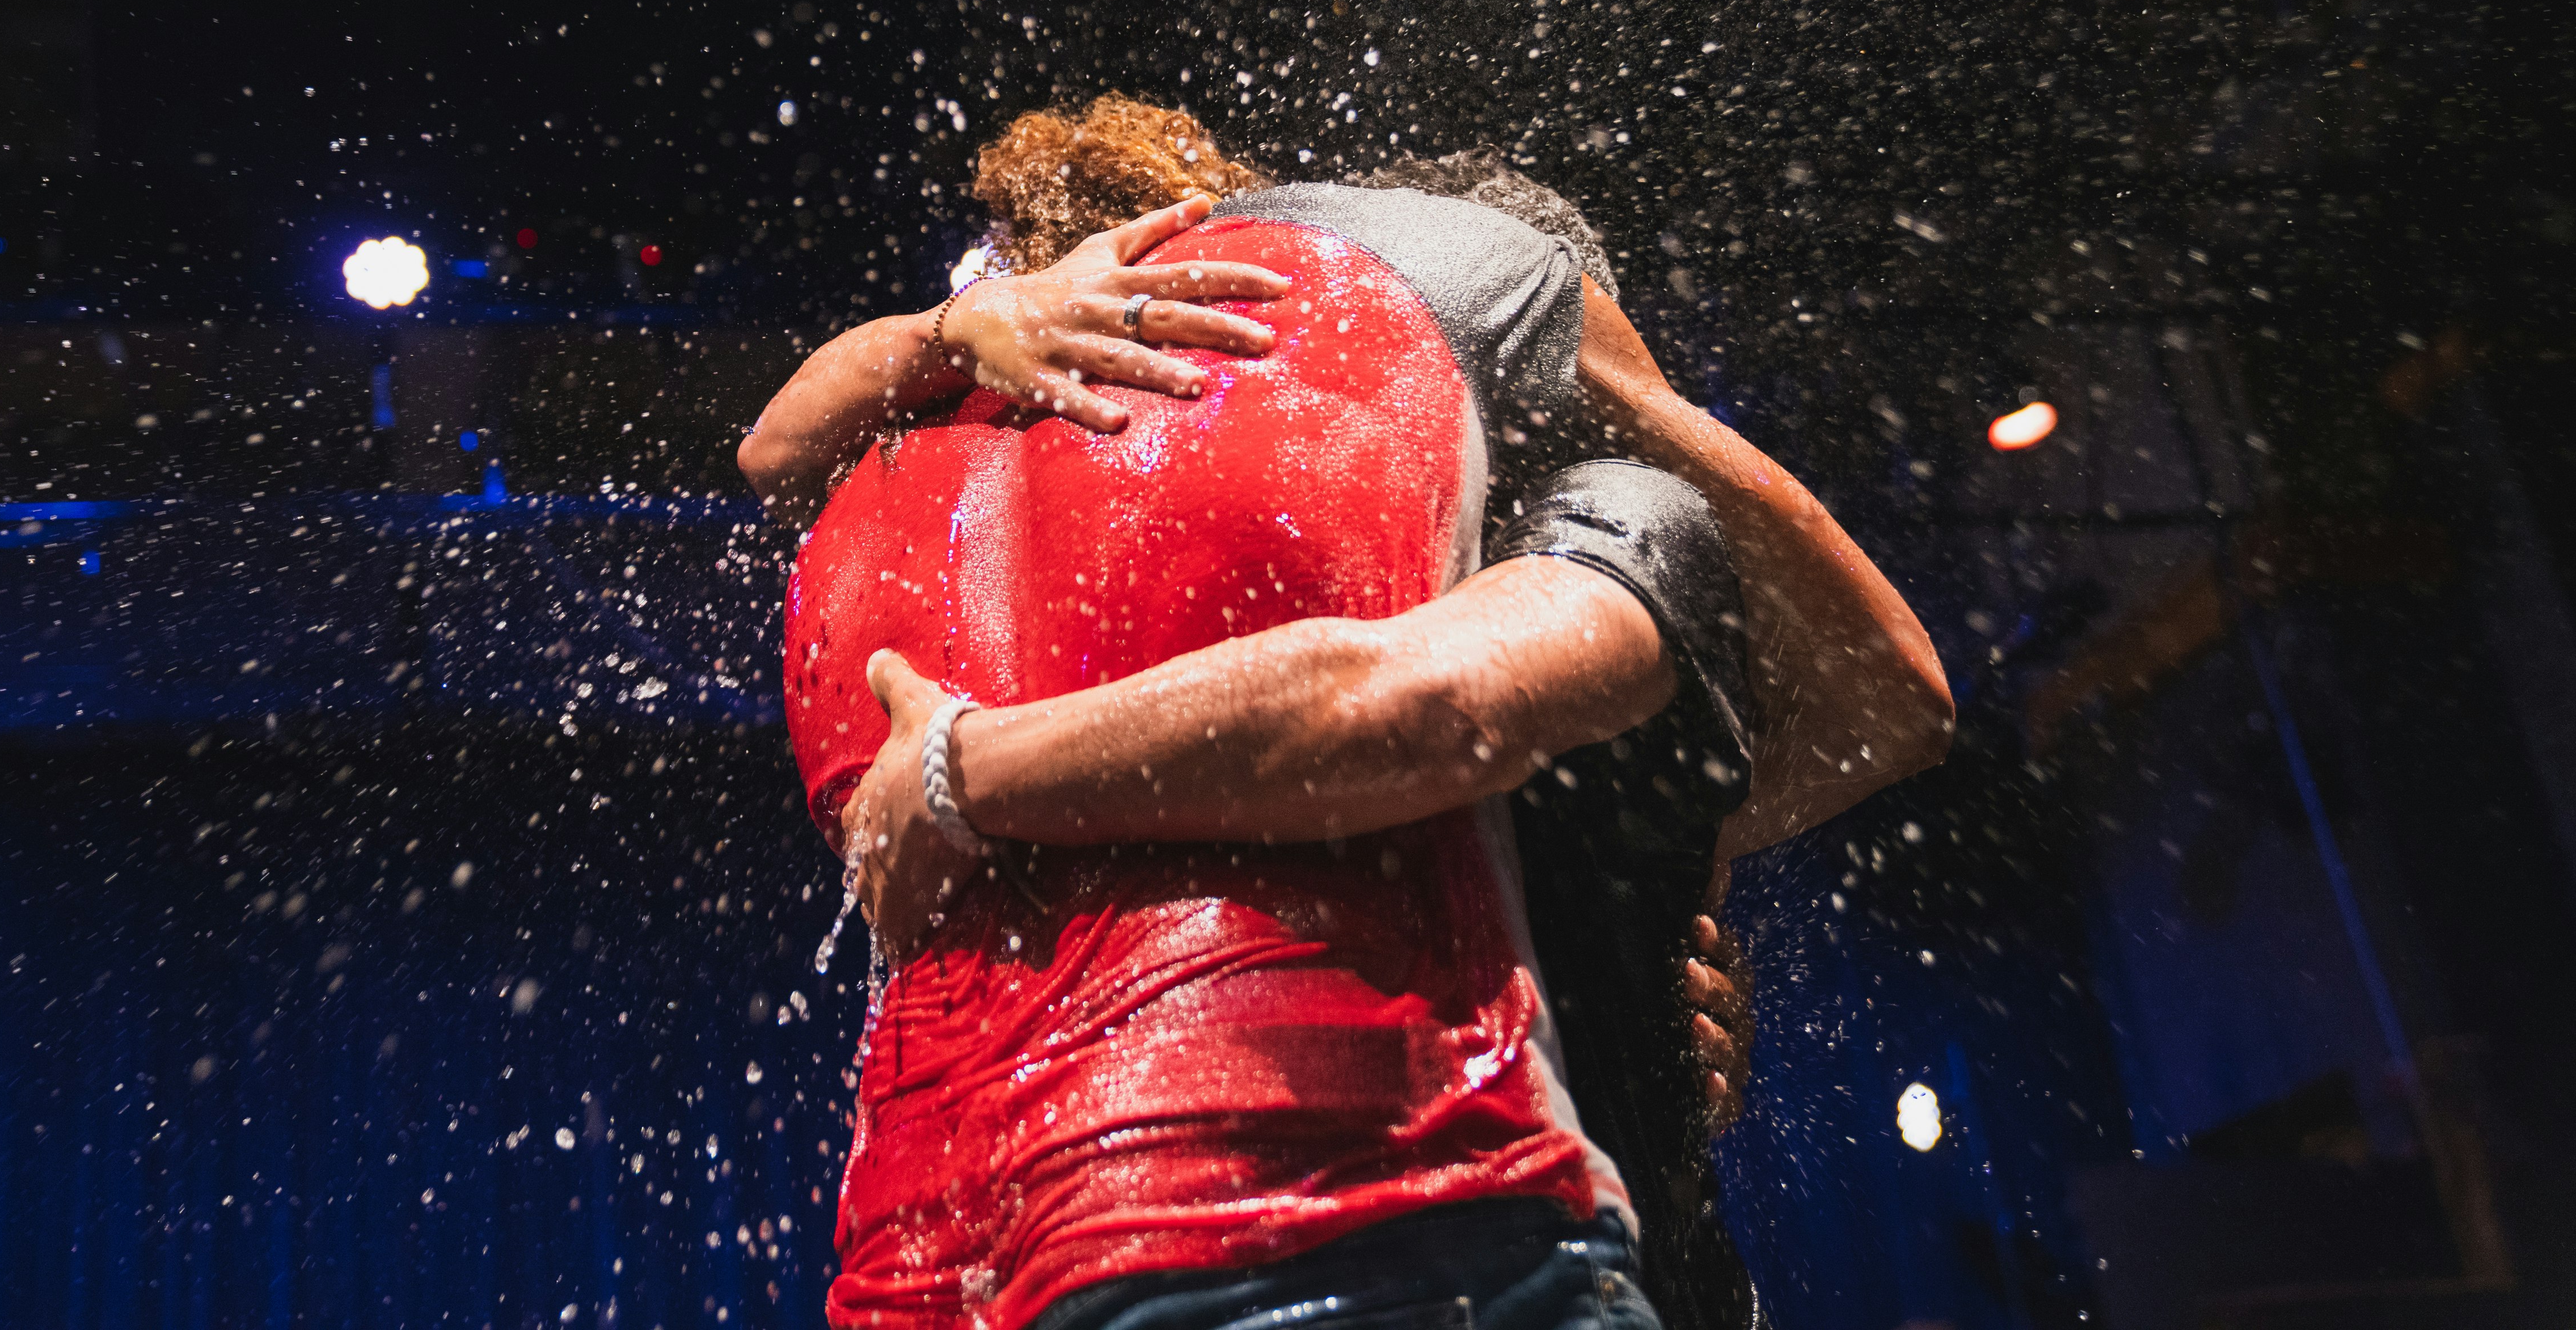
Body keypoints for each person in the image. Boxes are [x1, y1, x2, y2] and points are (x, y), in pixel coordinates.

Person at [740, 98, 1949, 1330]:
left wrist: (1641, 913)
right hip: (1393, 1215)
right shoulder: (1404, 468)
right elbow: (1421, 703)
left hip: (944, 1261)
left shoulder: (899, 489)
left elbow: (765, 452)